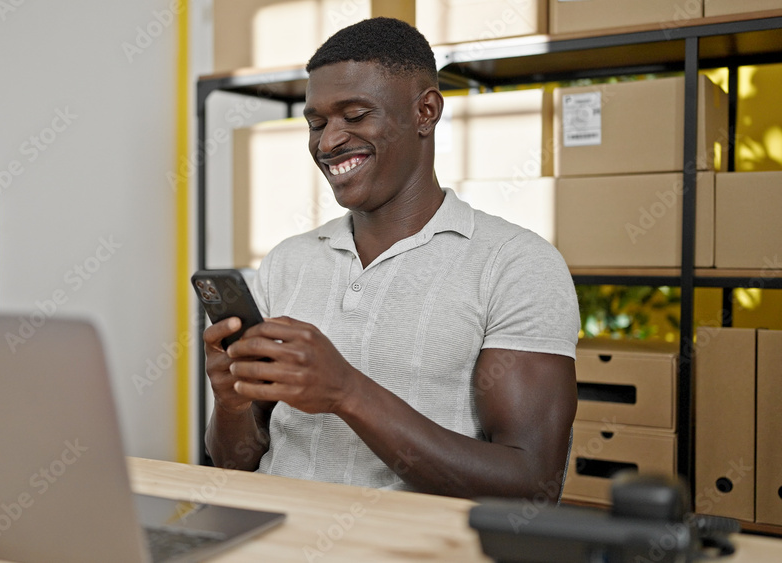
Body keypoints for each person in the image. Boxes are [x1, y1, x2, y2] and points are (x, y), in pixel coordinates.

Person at [203, 17, 580, 501]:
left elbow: (532, 486)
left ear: (425, 112)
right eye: (316, 123)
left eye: (355, 116)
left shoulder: (516, 265)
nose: (327, 142)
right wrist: (231, 406)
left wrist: (348, 392)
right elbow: (236, 461)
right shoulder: (287, 262)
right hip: (276, 536)